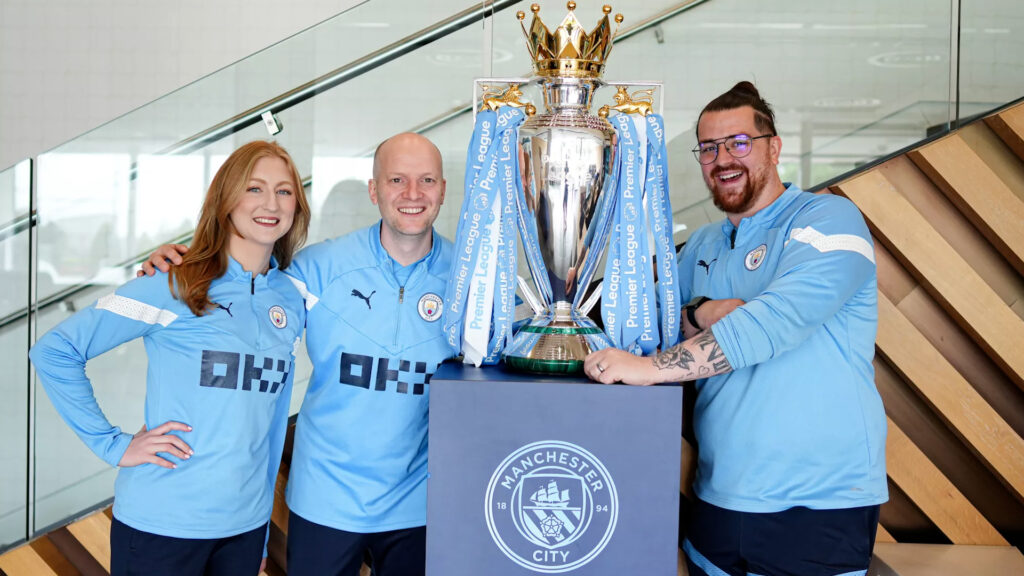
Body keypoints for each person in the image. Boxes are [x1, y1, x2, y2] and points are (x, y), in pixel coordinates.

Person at [585, 82, 887, 576]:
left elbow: (772, 323)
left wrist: (651, 368)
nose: (723, 158)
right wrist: (699, 309)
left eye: (739, 143)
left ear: (774, 147)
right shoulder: (704, 243)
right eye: (709, 147)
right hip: (717, 496)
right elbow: (642, 309)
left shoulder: (829, 220)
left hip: (817, 506)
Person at [142, 132, 453, 576]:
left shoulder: (470, 278)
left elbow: (525, 348)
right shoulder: (316, 268)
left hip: (417, 503)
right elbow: (245, 282)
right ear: (374, 189)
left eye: (426, 180)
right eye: (396, 180)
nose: (412, 194)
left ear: (442, 189)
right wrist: (186, 261)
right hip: (325, 496)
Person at [30, 140, 311, 576]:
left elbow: (270, 422)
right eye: (254, 188)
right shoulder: (173, 283)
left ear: (298, 204)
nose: (270, 203)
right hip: (161, 526)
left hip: (242, 529)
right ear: (227, 199)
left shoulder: (289, 299)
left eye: (284, 190)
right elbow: (54, 351)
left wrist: (257, 531)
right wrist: (113, 445)